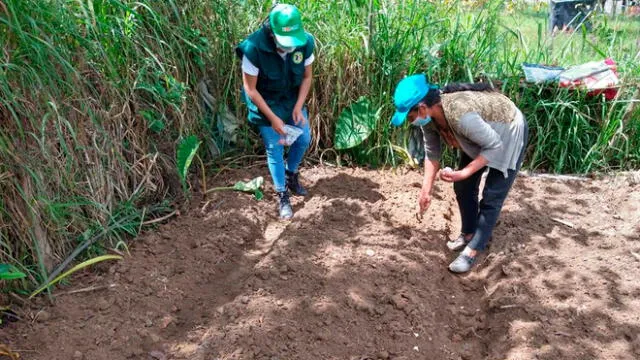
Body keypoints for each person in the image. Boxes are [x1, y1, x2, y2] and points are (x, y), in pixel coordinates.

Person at [390, 74, 529, 273]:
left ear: (421, 108)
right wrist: (426, 190)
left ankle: (472, 251)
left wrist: (464, 172)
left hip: (507, 133)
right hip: (480, 136)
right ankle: (469, 233)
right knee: (463, 187)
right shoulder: (429, 119)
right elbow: (432, 153)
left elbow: (494, 145)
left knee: (491, 197)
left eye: (410, 117)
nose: (410, 122)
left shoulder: (461, 116)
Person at [235, 4, 315, 219]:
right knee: (274, 148)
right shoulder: (253, 49)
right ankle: (282, 194)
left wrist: (298, 106)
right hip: (265, 104)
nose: (289, 47)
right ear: (271, 33)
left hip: (291, 100)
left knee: (303, 138)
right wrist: (272, 118)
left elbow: (307, 77)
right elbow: (250, 89)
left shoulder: (305, 42)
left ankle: (291, 174)